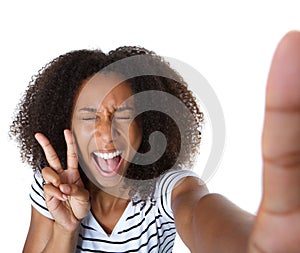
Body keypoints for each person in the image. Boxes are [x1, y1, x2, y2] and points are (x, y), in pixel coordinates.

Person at [9, 31, 300, 253]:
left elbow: (198, 209)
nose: (107, 133)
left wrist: (248, 242)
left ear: (146, 124)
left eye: (122, 114)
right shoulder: (53, 186)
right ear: (66, 125)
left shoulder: (164, 191)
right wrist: (65, 228)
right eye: (89, 116)